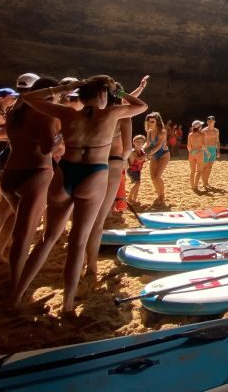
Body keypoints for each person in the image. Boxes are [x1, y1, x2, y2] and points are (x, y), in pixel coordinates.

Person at [12, 76, 147, 312]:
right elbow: (141, 107)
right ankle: (67, 305)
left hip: (65, 172)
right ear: (103, 96)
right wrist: (120, 89)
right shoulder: (110, 115)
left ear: (81, 96)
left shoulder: (67, 114)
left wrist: (65, 88)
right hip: (92, 174)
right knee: (78, 242)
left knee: (47, 239)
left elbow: (28, 97)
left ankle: (15, 296)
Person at [0, 76, 61, 291]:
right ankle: (15, 286)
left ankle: (12, 274)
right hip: (36, 172)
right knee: (24, 235)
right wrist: (61, 138)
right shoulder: (45, 114)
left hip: (9, 174)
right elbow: (46, 149)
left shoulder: (14, 112)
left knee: (20, 229)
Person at [84, 75, 149, 279]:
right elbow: (128, 148)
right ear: (116, 95)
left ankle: (83, 261)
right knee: (98, 221)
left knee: (84, 218)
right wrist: (124, 160)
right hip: (111, 163)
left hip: (88, 163)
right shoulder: (121, 116)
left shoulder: (88, 113)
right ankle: (91, 266)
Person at [144, 112, 170, 204]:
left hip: (163, 155)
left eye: (152, 121)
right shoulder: (149, 132)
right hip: (154, 155)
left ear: (157, 122)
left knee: (157, 176)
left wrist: (148, 154)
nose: (150, 123)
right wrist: (139, 151)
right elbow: (147, 144)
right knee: (152, 177)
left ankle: (162, 196)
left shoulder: (162, 131)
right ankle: (159, 195)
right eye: (148, 121)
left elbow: (159, 146)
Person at [126, 134, 147, 204]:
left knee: (138, 185)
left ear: (143, 143)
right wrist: (146, 156)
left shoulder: (142, 150)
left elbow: (145, 157)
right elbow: (139, 159)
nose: (139, 142)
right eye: (137, 141)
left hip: (138, 170)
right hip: (132, 170)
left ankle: (134, 200)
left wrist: (146, 156)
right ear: (133, 142)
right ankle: (129, 198)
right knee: (137, 183)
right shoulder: (133, 152)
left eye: (141, 141)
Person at [201, 116, 221, 189]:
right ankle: (204, 183)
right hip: (206, 149)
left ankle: (206, 182)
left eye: (211, 121)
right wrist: (205, 150)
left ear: (214, 121)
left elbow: (217, 141)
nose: (209, 122)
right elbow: (201, 142)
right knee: (205, 167)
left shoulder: (216, 131)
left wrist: (218, 151)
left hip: (213, 149)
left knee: (210, 167)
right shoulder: (204, 130)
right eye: (208, 121)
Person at [187, 120, 205, 191]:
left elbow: (188, 146)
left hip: (192, 153)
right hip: (199, 153)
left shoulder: (190, 135)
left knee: (192, 171)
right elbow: (203, 146)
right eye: (201, 125)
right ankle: (195, 186)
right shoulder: (202, 135)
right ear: (199, 127)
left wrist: (192, 152)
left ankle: (192, 186)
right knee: (199, 171)